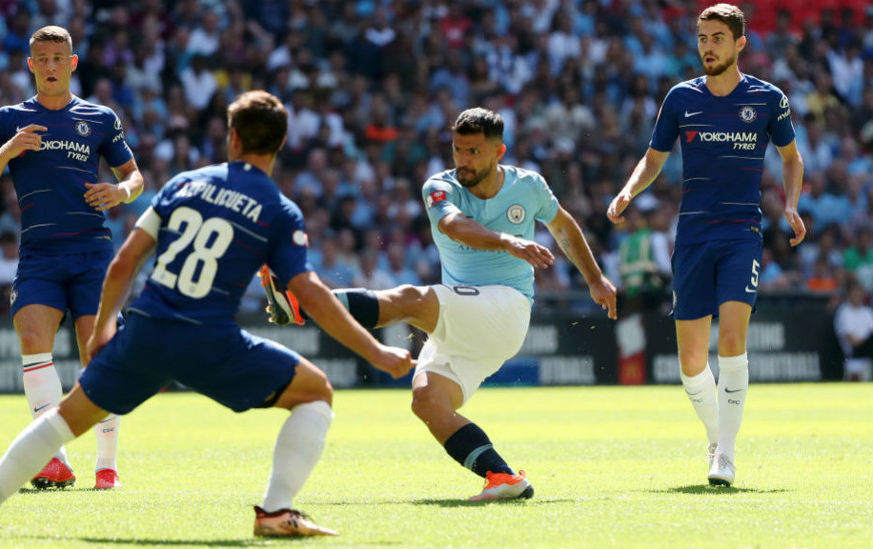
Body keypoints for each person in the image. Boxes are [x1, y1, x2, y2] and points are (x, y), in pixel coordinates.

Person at [0, 90, 414, 538]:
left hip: (147, 333)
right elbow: (309, 292)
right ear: (282, 144)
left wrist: (103, 330)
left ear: (232, 138)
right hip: (211, 340)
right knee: (317, 392)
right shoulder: (279, 210)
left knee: (63, 420)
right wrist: (375, 351)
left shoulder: (183, 185)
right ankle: (275, 511)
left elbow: (125, 262)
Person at [263, 107, 617, 500]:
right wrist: (507, 240)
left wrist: (595, 278)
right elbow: (452, 225)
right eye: (458, 150)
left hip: (508, 307)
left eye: (474, 152)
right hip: (466, 323)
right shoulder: (440, 186)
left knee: (412, 299)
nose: (463, 160)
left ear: (499, 152)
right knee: (427, 399)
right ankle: (503, 477)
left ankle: (300, 304)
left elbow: (563, 226)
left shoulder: (528, 185)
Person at [606, 4, 806, 487]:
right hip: (692, 235)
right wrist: (630, 189)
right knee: (692, 361)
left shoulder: (767, 99)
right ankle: (718, 439)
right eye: (702, 38)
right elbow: (653, 160)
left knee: (733, 341)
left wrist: (793, 205)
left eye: (717, 38)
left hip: (742, 233)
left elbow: (791, 159)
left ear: (740, 43)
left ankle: (726, 456)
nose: (707, 47)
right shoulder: (680, 98)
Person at [0, 26, 146, 490]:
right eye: (41, 59)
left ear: (72, 62)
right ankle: (53, 459)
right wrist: (7, 150)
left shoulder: (100, 118)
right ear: (30, 64)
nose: (49, 67)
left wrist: (120, 191)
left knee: (96, 351)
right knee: (30, 337)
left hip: (91, 251)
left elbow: (135, 176)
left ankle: (107, 466)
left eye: (58, 58)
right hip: (39, 253)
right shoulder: (9, 119)